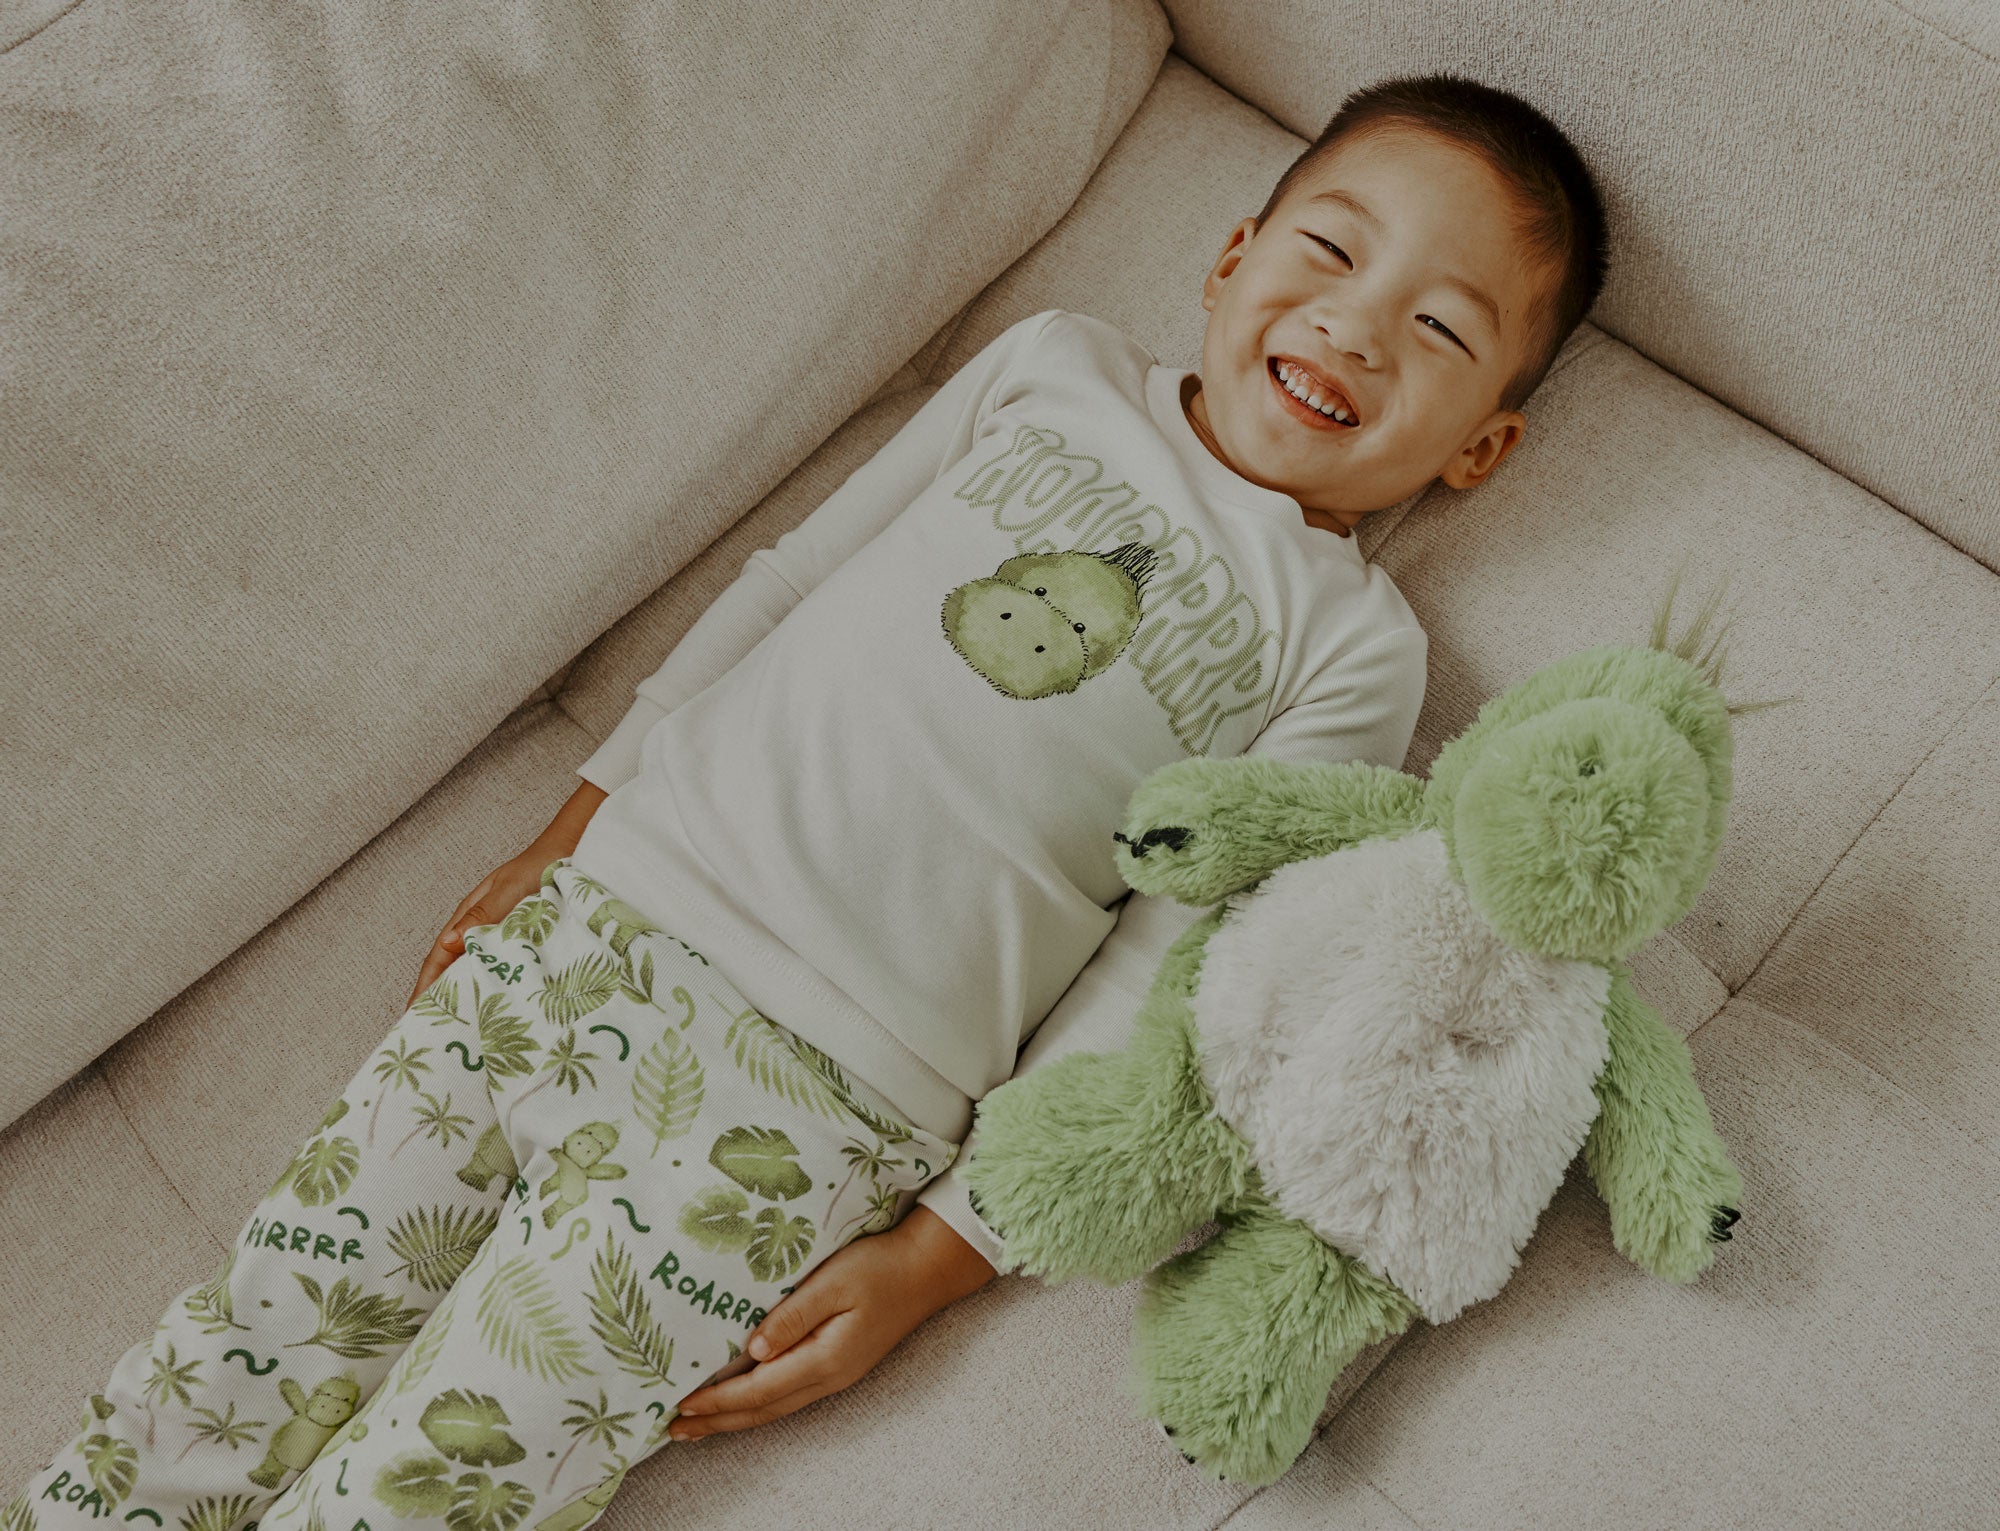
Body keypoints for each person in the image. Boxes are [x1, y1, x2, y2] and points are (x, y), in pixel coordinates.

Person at [12, 70, 1608, 1531]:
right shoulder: (1053, 368)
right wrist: (574, 826)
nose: (1356, 328)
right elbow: (791, 584)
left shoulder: (1352, 643)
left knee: (448, 1480)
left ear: (1481, 449)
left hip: (812, 1103)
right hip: (595, 929)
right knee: (252, 1344)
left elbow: (1175, 969)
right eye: (1330, 251)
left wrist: (943, 1253)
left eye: (1439, 329)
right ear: (1232, 257)